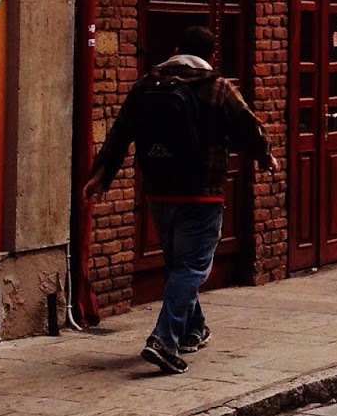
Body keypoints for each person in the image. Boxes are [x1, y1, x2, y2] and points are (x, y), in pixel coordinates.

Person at [84, 26, 274, 374]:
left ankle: (192, 329)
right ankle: (164, 340)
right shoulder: (217, 87)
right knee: (192, 267)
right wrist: (264, 156)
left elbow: (121, 131)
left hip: (158, 190)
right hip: (202, 192)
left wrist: (101, 174)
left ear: (175, 49)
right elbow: (250, 127)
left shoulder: (146, 85)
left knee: (179, 266)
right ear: (211, 55)